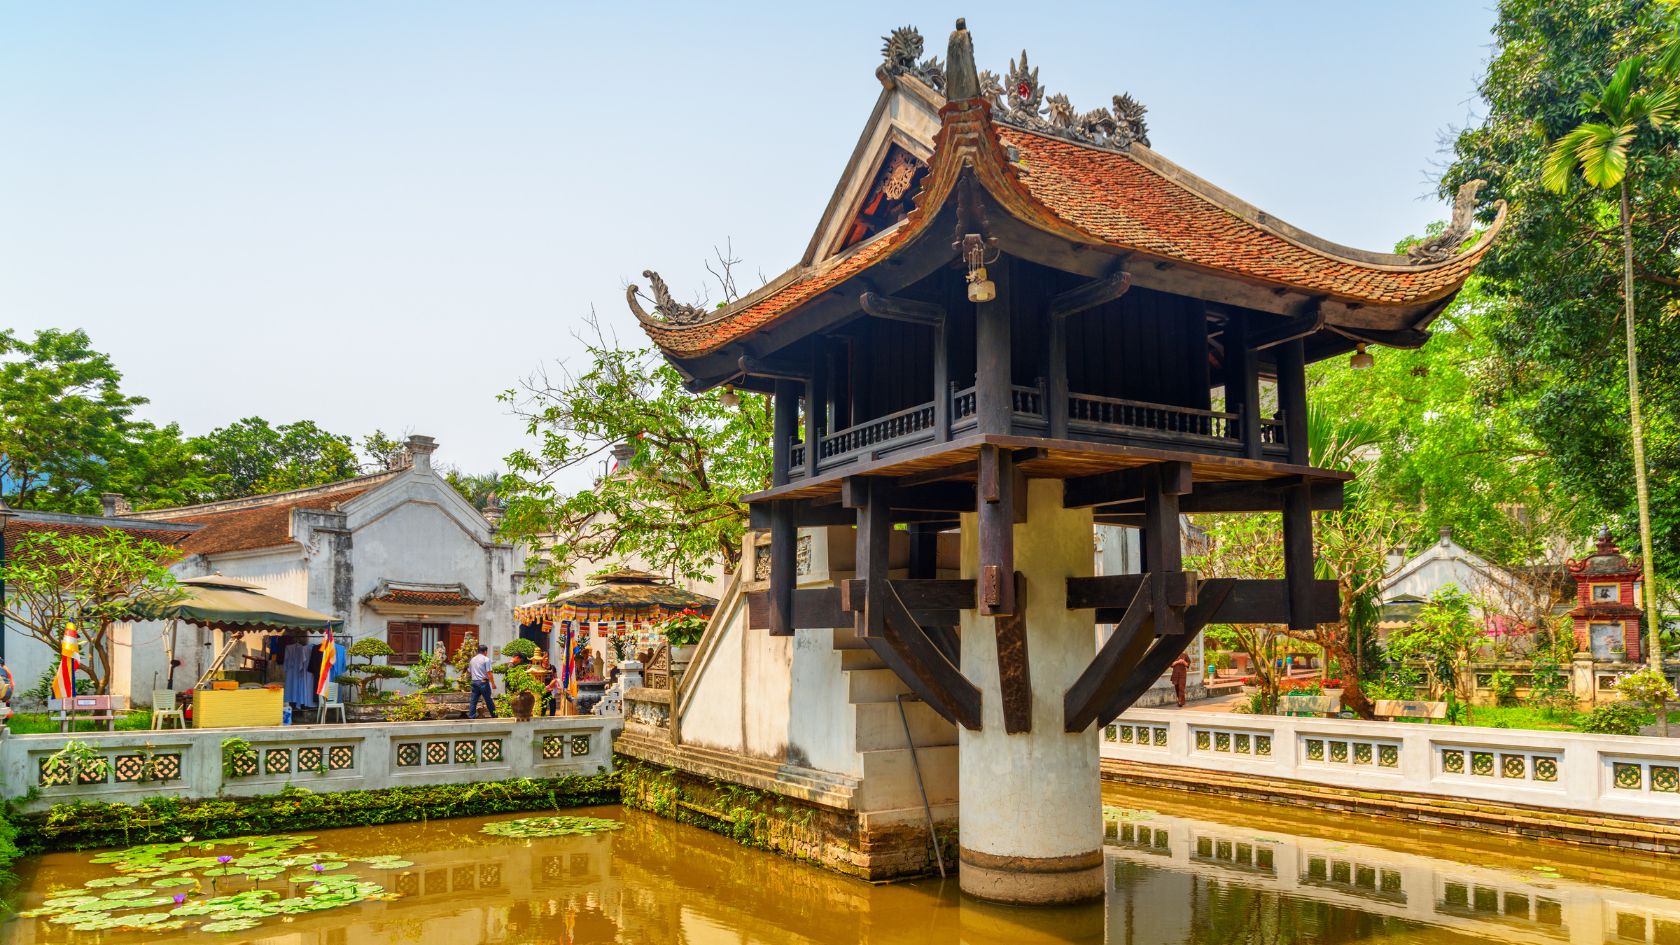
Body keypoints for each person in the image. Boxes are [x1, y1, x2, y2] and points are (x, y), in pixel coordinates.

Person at [468, 644, 495, 719]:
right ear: (485, 651)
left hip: (474, 682)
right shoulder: (486, 659)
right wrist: (492, 683)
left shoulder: (472, 660)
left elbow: (470, 672)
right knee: (488, 700)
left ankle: (471, 716)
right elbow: (489, 672)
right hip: (483, 682)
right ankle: (494, 715)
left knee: (473, 700)